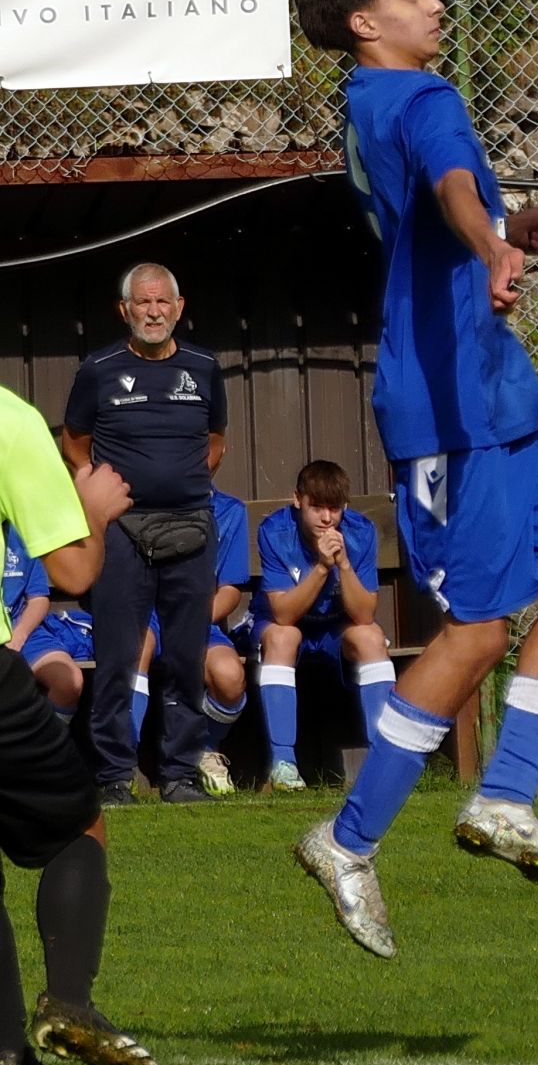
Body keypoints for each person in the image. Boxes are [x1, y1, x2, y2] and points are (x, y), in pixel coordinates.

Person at [291, 0, 538, 959]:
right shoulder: (424, 97)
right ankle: (347, 839)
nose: (434, 3)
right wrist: (490, 243)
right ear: (364, 21)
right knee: (475, 633)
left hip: (493, 397)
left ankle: (506, 798)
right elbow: (450, 191)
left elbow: (450, 204)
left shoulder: (370, 99)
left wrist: (507, 231)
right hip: (450, 412)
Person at [0, 383, 164, 1065]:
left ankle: (7, 1062)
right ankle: (68, 1000)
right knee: (79, 825)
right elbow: (72, 570)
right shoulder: (9, 419)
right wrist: (91, 510)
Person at [62, 262, 228, 807]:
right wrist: (98, 492)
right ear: (124, 310)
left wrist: (182, 483)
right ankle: (114, 776)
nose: (153, 312)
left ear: (179, 308)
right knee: (117, 655)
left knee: (186, 655)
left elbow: (215, 442)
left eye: (162, 302)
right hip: (121, 533)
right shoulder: (98, 369)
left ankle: (180, 774)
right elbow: (75, 443)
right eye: (143, 302)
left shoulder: (205, 367)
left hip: (191, 529)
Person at [246, 460, 394, 791]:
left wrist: (344, 564)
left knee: (371, 637)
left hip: (335, 625)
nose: (327, 518)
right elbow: (283, 614)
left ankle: (384, 763)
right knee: (283, 636)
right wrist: (323, 568)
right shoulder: (275, 531)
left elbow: (364, 614)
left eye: (335, 508)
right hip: (284, 622)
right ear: (297, 500)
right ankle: (284, 764)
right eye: (317, 507)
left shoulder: (360, 532)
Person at [131, 486, 250, 797]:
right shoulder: (137, 499)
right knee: (135, 651)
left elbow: (230, 591)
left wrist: (188, 622)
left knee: (230, 676)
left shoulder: (230, 511)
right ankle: (122, 764)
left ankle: (201, 749)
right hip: (145, 616)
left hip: (198, 618)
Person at [3, 524, 94, 724]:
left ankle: (45, 740)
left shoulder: (20, 533)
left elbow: (38, 598)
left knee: (69, 681)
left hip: (21, 629)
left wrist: (19, 635)